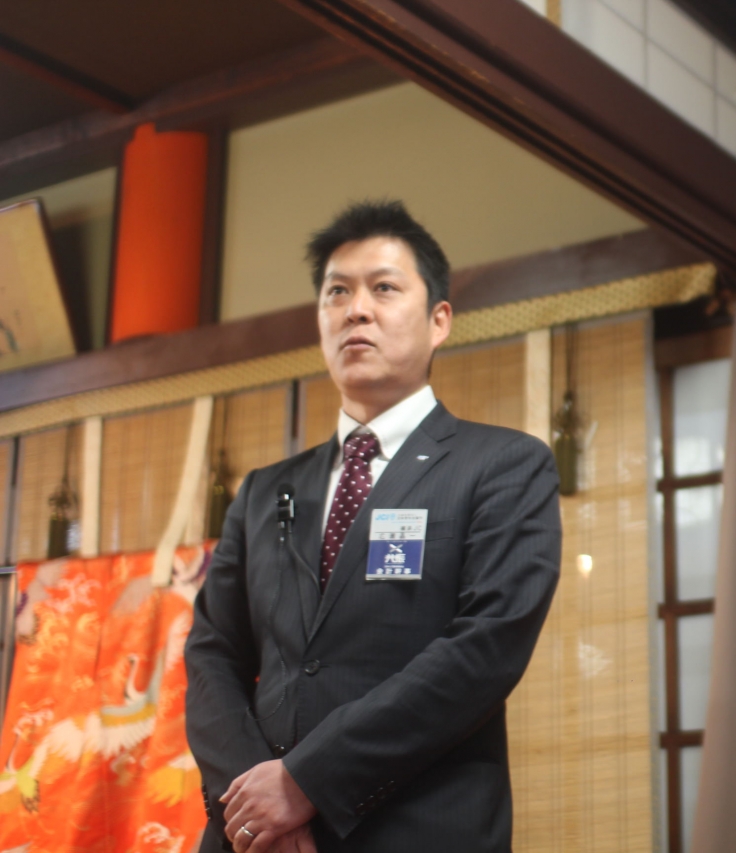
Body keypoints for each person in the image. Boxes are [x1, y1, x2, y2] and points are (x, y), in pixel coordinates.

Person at [185, 200, 561, 853]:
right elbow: (212, 654)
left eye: (384, 288)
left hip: (419, 829)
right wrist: (252, 805)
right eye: (337, 292)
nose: (356, 309)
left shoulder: (504, 464)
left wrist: (304, 782)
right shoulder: (264, 490)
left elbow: (485, 648)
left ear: (439, 320)